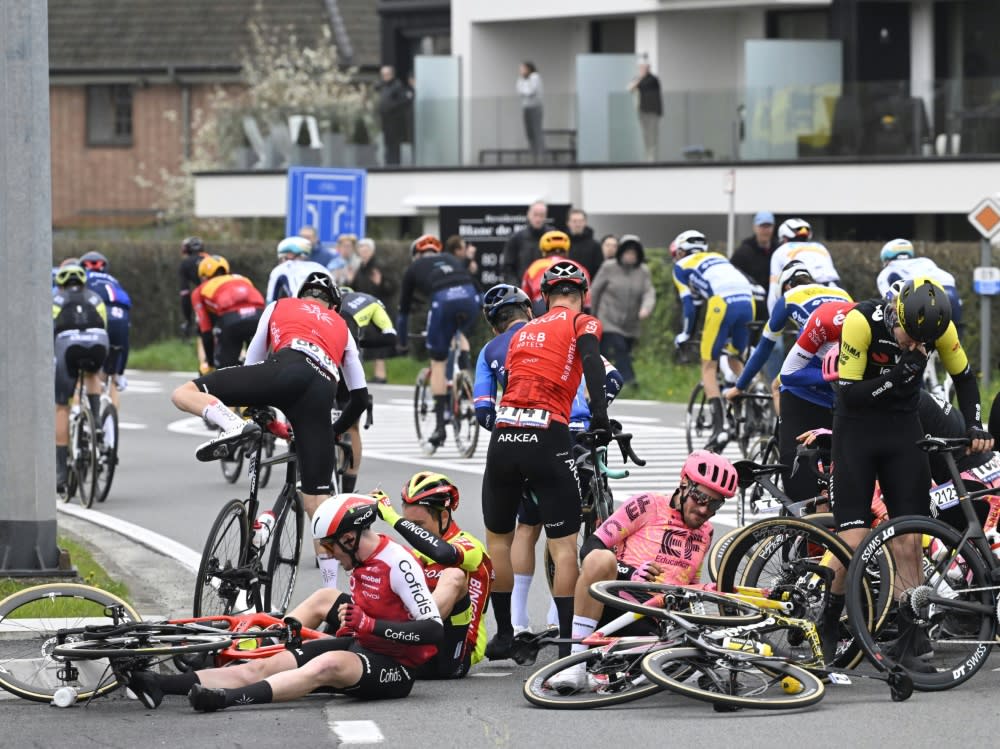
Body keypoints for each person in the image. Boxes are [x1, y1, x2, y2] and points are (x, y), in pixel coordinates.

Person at [125, 494, 443, 711]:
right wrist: (354, 619)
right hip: (361, 646)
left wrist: (372, 625)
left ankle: (225, 699)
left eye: (332, 549)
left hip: (397, 669)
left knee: (327, 665)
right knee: (269, 663)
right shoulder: (360, 561)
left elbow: (432, 631)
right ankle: (160, 684)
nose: (329, 557)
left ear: (349, 539)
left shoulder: (398, 563)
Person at [171, 271, 369, 589]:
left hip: (281, 370)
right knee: (317, 506)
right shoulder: (341, 325)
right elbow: (360, 398)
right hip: (320, 392)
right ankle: (329, 595)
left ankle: (232, 424)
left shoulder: (279, 305)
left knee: (183, 393)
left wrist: (258, 410)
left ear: (301, 296)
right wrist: (334, 429)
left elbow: (252, 363)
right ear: (333, 305)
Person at [829, 278, 992, 663]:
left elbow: (965, 378)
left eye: (922, 342)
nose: (912, 345)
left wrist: (974, 425)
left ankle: (909, 634)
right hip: (856, 433)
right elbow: (849, 393)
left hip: (904, 435)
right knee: (852, 540)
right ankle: (827, 620)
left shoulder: (938, 328)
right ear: (895, 313)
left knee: (909, 538)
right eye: (906, 336)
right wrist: (898, 376)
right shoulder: (861, 321)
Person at [473, 283, 623, 639]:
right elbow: (610, 376)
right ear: (529, 310)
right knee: (564, 542)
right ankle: (564, 629)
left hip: (510, 437)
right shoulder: (559, 329)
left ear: (494, 324)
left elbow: (483, 410)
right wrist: (593, 414)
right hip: (565, 435)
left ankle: (513, 627)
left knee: (519, 532)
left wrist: (508, 425)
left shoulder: (492, 348)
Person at [549, 450, 738, 691]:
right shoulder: (648, 504)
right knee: (601, 559)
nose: (704, 509)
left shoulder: (707, 532)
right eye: (700, 497)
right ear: (683, 484)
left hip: (658, 617)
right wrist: (631, 573)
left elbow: (691, 583)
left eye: (715, 504)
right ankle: (573, 665)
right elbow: (590, 548)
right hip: (619, 601)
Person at [725, 262, 852, 499]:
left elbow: (763, 349)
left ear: (786, 285)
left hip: (816, 373)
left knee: (780, 384)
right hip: (848, 368)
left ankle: (787, 432)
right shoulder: (839, 293)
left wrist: (739, 386)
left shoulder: (788, 297)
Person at [671, 229, 753, 449]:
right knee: (735, 358)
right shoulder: (718, 258)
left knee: (709, 365)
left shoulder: (681, 266)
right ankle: (756, 398)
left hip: (722, 304)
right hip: (748, 301)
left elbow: (689, 305)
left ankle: (721, 428)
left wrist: (685, 334)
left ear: (680, 252)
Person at [396, 234, 480, 449]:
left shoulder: (414, 268)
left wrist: (402, 342)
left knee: (438, 361)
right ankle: (465, 375)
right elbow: (473, 282)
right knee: (458, 332)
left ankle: (440, 427)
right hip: (471, 298)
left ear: (417, 254)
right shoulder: (452, 259)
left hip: (443, 302)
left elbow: (403, 312)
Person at [53, 264, 108, 494]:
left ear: (62, 283)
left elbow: (49, 331)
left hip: (68, 346)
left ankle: (61, 473)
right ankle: (95, 420)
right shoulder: (96, 298)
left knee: (62, 407)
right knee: (93, 374)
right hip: (98, 343)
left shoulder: (56, 299)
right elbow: (104, 325)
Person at [336, 287, 398, 494]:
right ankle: (348, 488)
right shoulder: (371, 301)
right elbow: (390, 336)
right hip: (347, 347)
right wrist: (361, 342)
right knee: (352, 427)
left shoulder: (329, 302)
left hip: (322, 343)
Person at [591, 234, 656, 389]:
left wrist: (646, 308)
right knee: (619, 347)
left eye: (633, 253)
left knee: (624, 351)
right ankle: (629, 380)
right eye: (627, 252)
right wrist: (592, 315)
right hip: (608, 318)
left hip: (631, 322)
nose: (630, 256)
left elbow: (649, 292)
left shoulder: (643, 271)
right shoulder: (609, 267)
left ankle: (608, 381)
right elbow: (595, 290)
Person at [190, 254, 265, 372]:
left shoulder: (199, 290)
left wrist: (210, 363)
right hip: (260, 316)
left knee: (225, 371)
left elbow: (206, 331)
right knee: (260, 365)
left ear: (203, 277)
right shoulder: (242, 279)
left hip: (231, 319)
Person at [79, 251, 131, 405]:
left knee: (89, 371)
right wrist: (121, 370)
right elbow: (125, 341)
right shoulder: (115, 281)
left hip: (99, 318)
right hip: (121, 317)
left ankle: (89, 415)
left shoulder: (83, 279)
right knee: (113, 375)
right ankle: (112, 424)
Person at [731, 211, 779, 377]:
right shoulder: (744, 252)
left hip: (771, 309)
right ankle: (746, 382)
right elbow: (732, 274)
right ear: (755, 227)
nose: (765, 230)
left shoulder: (778, 250)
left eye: (768, 226)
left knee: (775, 348)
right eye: (762, 226)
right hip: (749, 308)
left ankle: (774, 389)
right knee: (745, 349)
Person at [876, 238, 961, 331]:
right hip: (951, 294)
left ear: (886, 258)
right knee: (953, 337)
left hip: (923, 297)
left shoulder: (887, 271)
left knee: (919, 337)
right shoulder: (925, 261)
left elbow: (887, 299)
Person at [768, 218, 840, 310]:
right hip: (838, 291)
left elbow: (774, 292)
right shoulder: (821, 247)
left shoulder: (780, 251)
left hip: (809, 291)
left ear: (784, 238)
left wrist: (771, 319)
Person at [352, 237, 397, 383]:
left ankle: (381, 374)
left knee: (379, 339)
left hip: (379, 308)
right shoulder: (361, 268)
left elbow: (393, 287)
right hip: (365, 308)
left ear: (372, 251)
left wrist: (381, 283)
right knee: (367, 340)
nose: (363, 252)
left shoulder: (379, 266)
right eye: (361, 249)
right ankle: (373, 374)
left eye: (366, 249)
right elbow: (355, 288)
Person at [520, 230, 588, 316]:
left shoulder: (534, 267)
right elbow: (587, 297)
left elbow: (525, 298)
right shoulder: (578, 266)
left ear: (543, 251)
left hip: (543, 305)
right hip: (573, 304)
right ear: (566, 250)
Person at [265, 236, 331, 304]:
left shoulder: (281, 268)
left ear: (289, 255)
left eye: (282, 258)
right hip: (325, 309)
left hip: (298, 306)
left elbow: (270, 300)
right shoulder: (320, 267)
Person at [502, 200, 552, 283]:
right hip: (523, 290)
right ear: (528, 215)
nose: (538, 219)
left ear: (546, 216)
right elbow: (508, 268)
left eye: (541, 215)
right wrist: (517, 290)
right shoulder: (516, 238)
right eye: (535, 215)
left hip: (549, 290)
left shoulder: (553, 237)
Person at [628, 61, 662, 162]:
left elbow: (634, 86)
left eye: (642, 68)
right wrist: (638, 79)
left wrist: (638, 79)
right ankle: (647, 156)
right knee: (645, 134)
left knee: (652, 135)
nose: (641, 70)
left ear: (647, 69)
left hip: (652, 112)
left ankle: (652, 157)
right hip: (643, 111)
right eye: (640, 68)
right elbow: (629, 88)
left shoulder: (652, 79)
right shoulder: (642, 79)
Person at [378, 65, 409, 166]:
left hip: (395, 122)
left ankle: (394, 165)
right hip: (386, 121)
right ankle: (388, 163)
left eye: (387, 74)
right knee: (387, 145)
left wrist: (390, 107)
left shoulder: (397, 86)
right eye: (383, 75)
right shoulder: (383, 86)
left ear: (391, 74)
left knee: (394, 146)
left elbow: (403, 101)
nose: (385, 77)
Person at [178, 236, 207, 339]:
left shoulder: (185, 263)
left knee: (204, 332)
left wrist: (188, 319)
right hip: (224, 299)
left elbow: (185, 293)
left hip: (205, 300)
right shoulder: (211, 259)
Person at [565, 209, 604, 281]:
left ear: (585, 223)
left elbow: (599, 272)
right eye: (574, 221)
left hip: (588, 287)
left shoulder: (595, 246)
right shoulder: (562, 245)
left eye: (580, 221)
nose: (577, 224)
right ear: (568, 223)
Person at [517, 61, 544, 161]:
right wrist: (523, 87)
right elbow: (519, 91)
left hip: (535, 107)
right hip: (526, 108)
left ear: (528, 69)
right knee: (529, 133)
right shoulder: (522, 79)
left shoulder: (535, 77)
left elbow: (530, 91)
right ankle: (533, 155)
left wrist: (524, 89)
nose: (521, 71)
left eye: (522, 69)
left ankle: (540, 156)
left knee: (537, 131)